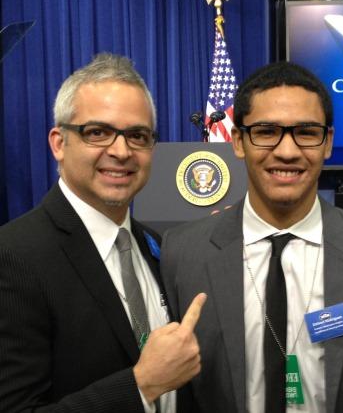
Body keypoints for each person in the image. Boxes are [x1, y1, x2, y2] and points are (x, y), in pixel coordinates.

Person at [160, 61, 343, 412]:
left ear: (328, 143)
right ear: (237, 141)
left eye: (307, 132)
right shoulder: (184, 252)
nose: (287, 151)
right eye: (266, 131)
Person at [0, 53, 206, 413]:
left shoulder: (154, 245)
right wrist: (141, 385)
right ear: (58, 143)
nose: (122, 151)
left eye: (137, 135)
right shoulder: (13, 256)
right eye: (98, 133)